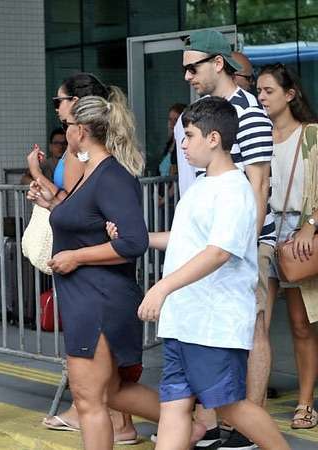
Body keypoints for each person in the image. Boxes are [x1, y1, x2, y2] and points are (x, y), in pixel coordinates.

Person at [139, 97, 289, 450]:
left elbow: (219, 251)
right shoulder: (203, 185)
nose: (183, 145)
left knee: (229, 407)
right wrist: (140, 239)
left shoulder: (235, 190)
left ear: (214, 138)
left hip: (212, 323)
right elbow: (188, 240)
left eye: (189, 135)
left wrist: (162, 288)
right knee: (173, 406)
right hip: (185, 319)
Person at [28, 87, 165, 449]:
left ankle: (189, 419)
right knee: (113, 392)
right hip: (89, 298)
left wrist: (76, 257)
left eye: (68, 124)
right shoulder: (92, 174)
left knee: (89, 401)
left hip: (98, 300)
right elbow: (87, 224)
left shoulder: (111, 176)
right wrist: (49, 203)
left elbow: (132, 241)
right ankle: (189, 419)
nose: (64, 130)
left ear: (82, 131)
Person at [176, 31, 275, 449]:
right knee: (215, 332)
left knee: (252, 329)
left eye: (193, 66)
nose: (187, 76)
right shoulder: (206, 112)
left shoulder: (248, 113)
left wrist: (242, 249)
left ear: (218, 63)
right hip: (214, 241)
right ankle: (219, 421)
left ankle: (247, 429)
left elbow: (259, 184)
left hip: (244, 241)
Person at [257, 63, 318, 429]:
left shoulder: (310, 135)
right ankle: (253, 401)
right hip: (264, 233)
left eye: (268, 91)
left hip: (299, 235)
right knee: (257, 322)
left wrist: (311, 227)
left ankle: (306, 403)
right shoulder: (258, 134)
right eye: (259, 92)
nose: (262, 98)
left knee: (300, 324)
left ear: (290, 94)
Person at [159, 103, 186, 177]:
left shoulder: (184, 146)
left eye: (176, 120)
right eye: (170, 119)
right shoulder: (169, 144)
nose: (172, 123)